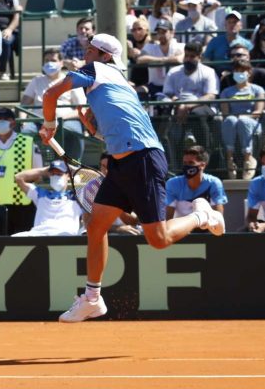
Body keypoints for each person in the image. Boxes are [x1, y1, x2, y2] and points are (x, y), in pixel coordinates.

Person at [40, 33, 225, 323]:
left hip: (142, 160)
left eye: (90, 50)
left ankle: (202, 216)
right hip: (120, 162)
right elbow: (122, 129)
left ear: (105, 56)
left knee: (159, 239)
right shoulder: (119, 86)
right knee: (95, 225)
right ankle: (92, 298)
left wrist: (49, 125)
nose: (84, 55)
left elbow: (50, 94)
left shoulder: (98, 70)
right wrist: (96, 133)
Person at [0, 108, 42, 234]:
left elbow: (38, 174)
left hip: (22, 204)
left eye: (6, 119)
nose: (1, 122)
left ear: (13, 123)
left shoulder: (27, 143)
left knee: (25, 245)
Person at [20, 48, 87, 161]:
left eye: (53, 60)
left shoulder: (72, 79)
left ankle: (74, 165)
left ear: (61, 63)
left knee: (74, 132)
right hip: (39, 120)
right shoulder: (36, 80)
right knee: (25, 134)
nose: (49, 63)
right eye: (46, 60)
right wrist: (22, 120)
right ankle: (29, 167)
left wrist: (59, 119)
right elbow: (24, 104)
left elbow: (82, 109)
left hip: (65, 120)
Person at [163, 41, 219, 150]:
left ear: (199, 57)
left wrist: (188, 106)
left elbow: (211, 95)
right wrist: (179, 104)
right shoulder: (173, 72)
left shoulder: (208, 72)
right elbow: (168, 93)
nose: (188, 59)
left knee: (196, 113)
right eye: (186, 56)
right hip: (178, 105)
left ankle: (205, 150)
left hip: (202, 106)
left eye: (192, 56)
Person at [220, 59, 265, 180]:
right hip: (233, 122)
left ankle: (248, 160)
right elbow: (225, 113)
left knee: (243, 121)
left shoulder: (258, 90)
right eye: (236, 71)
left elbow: (258, 112)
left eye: (242, 71)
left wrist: (244, 117)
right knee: (230, 120)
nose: (239, 73)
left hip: (252, 122)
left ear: (249, 72)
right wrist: (236, 117)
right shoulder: (226, 92)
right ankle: (230, 160)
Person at [13, 160, 82, 237]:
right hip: (38, 234)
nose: (56, 176)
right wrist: (44, 171)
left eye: (59, 174)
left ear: (68, 176)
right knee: (14, 238)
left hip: (65, 235)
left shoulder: (77, 196)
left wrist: (75, 170)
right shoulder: (40, 194)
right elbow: (18, 177)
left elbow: (97, 178)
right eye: (52, 174)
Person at [165, 146, 227, 222]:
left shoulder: (214, 183)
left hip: (206, 229)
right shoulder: (172, 184)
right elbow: (167, 219)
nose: (187, 166)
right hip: (180, 229)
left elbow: (218, 219)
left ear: (203, 165)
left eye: (191, 163)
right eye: (185, 163)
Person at [137, 19, 184, 96]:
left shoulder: (180, 46)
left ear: (172, 32)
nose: (161, 35)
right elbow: (140, 59)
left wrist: (160, 59)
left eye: (164, 32)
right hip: (155, 86)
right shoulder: (150, 47)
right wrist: (163, 59)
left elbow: (179, 59)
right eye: (158, 32)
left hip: (175, 87)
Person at [127, 18, 152, 89]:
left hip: (149, 82)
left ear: (147, 30)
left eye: (140, 29)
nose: (136, 32)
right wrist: (129, 50)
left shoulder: (153, 44)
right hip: (133, 81)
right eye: (133, 30)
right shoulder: (130, 44)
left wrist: (141, 54)